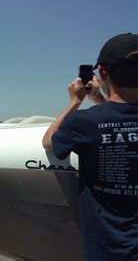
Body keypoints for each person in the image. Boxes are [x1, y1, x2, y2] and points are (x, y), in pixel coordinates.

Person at [42, 33, 138, 261]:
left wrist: (76, 101)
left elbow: (49, 141)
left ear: (103, 72)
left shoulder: (84, 122)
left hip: (108, 252)